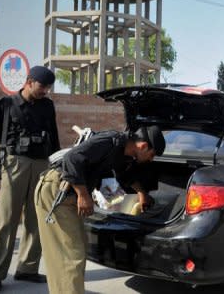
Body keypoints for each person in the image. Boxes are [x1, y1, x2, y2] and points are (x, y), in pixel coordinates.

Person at [35, 125, 165, 294]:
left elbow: (123, 175)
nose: (151, 159)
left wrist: (141, 193)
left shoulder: (123, 151)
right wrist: (83, 195)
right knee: (69, 257)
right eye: (152, 155)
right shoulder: (110, 141)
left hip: (70, 193)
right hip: (57, 191)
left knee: (77, 251)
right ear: (143, 146)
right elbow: (72, 158)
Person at [0, 66, 60, 294]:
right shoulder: (5, 105)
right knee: (5, 221)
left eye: (48, 88)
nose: (45, 91)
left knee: (36, 218)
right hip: (14, 164)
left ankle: (27, 268)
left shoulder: (48, 106)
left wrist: (57, 166)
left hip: (42, 164)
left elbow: (54, 137)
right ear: (29, 81)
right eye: (42, 87)